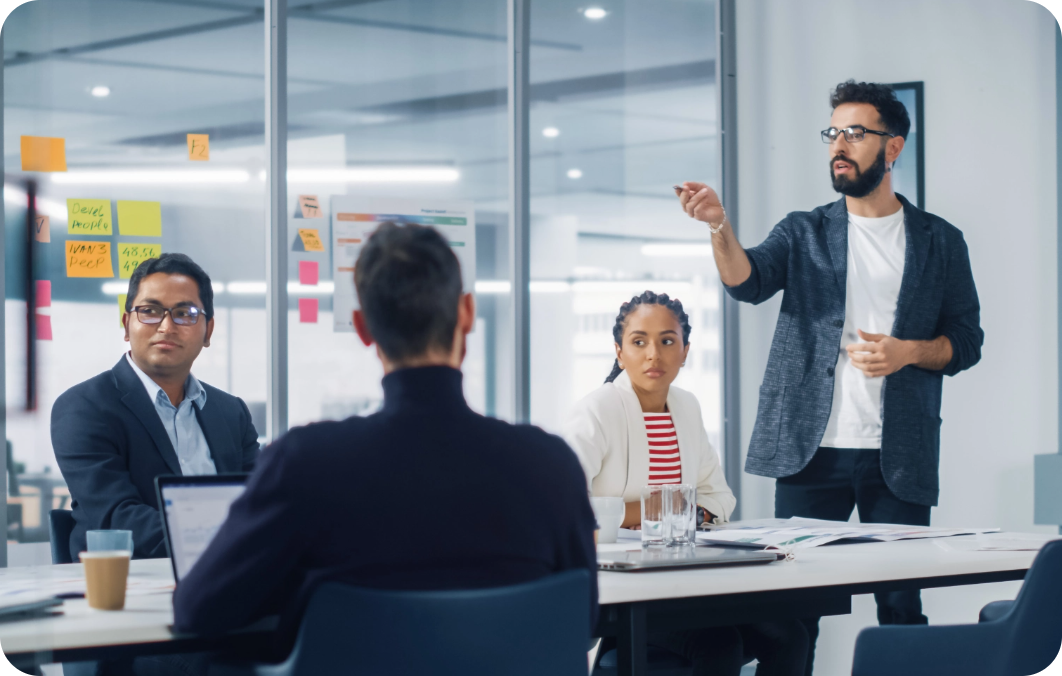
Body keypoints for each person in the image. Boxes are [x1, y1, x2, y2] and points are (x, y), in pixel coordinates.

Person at [172, 222, 598, 657]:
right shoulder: (551, 464)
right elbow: (580, 620)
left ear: (362, 327)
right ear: (466, 312)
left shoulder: (306, 463)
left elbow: (198, 609)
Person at [676, 80, 983, 675]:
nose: (839, 145)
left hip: (899, 454)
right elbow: (748, 282)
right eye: (833, 132)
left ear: (892, 148)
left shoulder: (941, 242)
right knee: (788, 616)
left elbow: (966, 341)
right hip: (808, 451)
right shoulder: (804, 230)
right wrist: (719, 226)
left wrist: (907, 353)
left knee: (899, 605)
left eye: (855, 133)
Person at [564, 291, 807, 676]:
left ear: (686, 350)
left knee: (790, 635)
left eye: (667, 341)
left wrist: (676, 512)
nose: (653, 355)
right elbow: (563, 507)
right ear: (619, 351)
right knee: (719, 645)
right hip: (627, 588)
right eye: (639, 341)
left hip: (689, 579)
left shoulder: (686, 406)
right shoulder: (598, 409)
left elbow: (720, 497)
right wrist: (664, 512)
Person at [52, 253, 260, 561]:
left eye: (185, 313)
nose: (166, 326)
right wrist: (232, 543)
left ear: (208, 331)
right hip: (128, 590)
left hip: (230, 581)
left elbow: (260, 501)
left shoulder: (232, 413)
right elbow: (119, 518)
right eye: (149, 311)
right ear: (126, 325)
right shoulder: (83, 408)